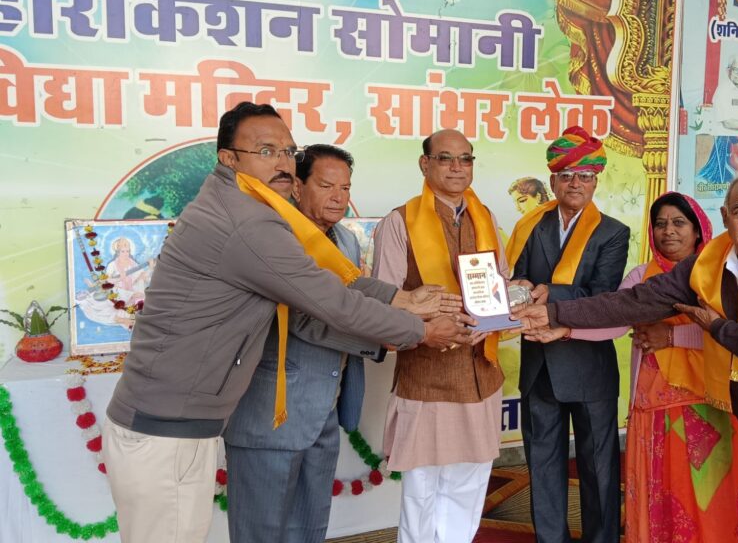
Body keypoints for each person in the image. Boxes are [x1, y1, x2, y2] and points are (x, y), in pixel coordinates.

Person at [101, 102, 472, 543]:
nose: (281, 163)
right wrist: (420, 331)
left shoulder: (255, 210)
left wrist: (402, 298)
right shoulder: (245, 220)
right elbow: (328, 301)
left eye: (287, 151)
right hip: (168, 426)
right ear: (229, 158)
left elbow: (334, 281)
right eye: (265, 151)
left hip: (183, 422)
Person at [515, 172, 738, 543]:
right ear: (725, 216)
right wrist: (555, 314)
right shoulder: (706, 267)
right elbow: (633, 302)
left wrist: (716, 328)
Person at [223, 144, 430, 542]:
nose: (339, 197)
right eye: (326, 185)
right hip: (274, 412)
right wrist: (396, 335)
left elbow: (358, 297)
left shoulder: (347, 242)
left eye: (346, 188)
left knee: (310, 526)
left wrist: (410, 307)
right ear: (297, 187)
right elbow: (306, 320)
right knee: (261, 532)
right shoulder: (275, 239)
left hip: (324, 411)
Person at [543, 192, 738, 542]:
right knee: (662, 490)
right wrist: (566, 330)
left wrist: (672, 337)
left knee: (710, 496)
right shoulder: (642, 276)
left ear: (698, 230)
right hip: (653, 404)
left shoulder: (719, 275)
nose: (668, 231)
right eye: (660, 224)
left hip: (710, 401)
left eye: (679, 223)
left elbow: (733, 335)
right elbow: (612, 318)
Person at [372, 128, 507, 543]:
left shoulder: (485, 219)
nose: (457, 168)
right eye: (446, 158)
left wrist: (511, 304)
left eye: (465, 159)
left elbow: (500, 285)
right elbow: (384, 303)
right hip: (427, 380)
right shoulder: (399, 222)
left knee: (469, 489)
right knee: (422, 493)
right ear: (425, 164)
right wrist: (428, 328)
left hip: (480, 377)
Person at [505, 126, 630, 543]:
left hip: (589, 366)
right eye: (567, 175)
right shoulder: (531, 226)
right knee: (542, 466)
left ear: (596, 181)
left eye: (585, 176)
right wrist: (518, 289)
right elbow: (519, 277)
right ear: (553, 179)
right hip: (539, 365)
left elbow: (603, 296)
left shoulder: (612, 232)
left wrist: (548, 292)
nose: (576, 183)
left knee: (599, 468)